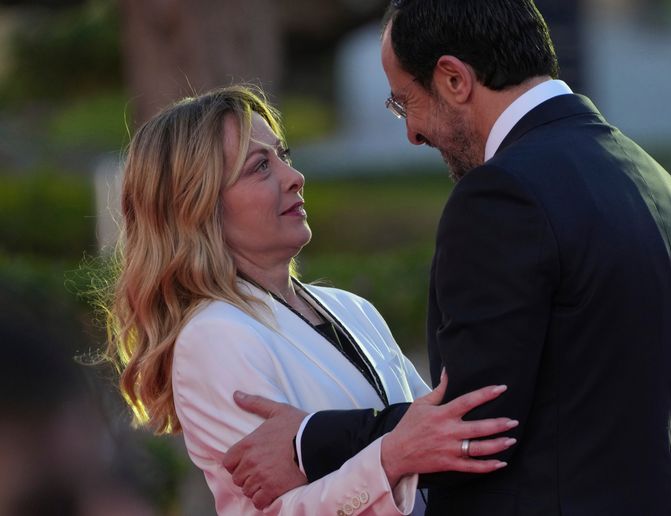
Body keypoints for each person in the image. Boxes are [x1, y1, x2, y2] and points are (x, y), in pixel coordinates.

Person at [226, 0, 671, 514]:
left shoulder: (503, 194)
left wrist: (306, 441)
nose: (411, 133)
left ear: (454, 79)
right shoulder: (658, 183)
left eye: (404, 102)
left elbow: (471, 425)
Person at [103, 85, 522, 516]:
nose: (293, 177)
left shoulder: (350, 308)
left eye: (283, 156)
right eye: (260, 167)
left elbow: (435, 431)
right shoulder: (213, 335)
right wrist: (392, 458)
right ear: (197, 206)